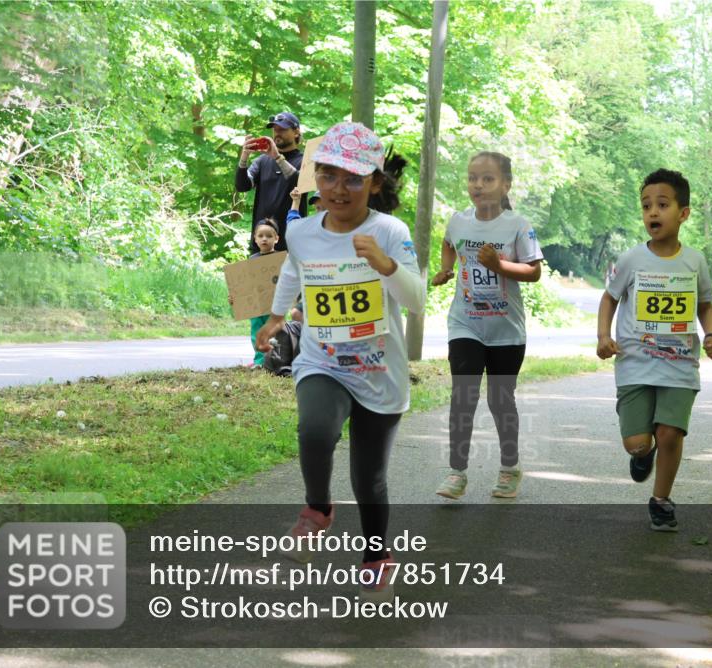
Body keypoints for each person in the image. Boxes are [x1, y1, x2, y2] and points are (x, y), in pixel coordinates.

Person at [255, 122, 424, 600]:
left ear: (374, 181)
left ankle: (376, 556)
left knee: (369, 478)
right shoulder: (304, 232)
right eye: (328, 176)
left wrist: (386, 266)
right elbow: (292, 272)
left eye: (353, 178)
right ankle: (317, 509)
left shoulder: (389, 231)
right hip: (322, 361)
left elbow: (416, 302)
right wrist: (273, 319)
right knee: (314, 430)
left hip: (378, 371)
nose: (338, 189)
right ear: (314, 178)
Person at [596, 168, 712, 532]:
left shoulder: (694, 261)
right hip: (635, 362)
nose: (653, 212)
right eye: (646, 205)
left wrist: (711, 335)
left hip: (680, 365)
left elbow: (705, 304)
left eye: (662, 205)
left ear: (683, 213)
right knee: (637, 443)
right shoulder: (631, 259)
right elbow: (609, 298)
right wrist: (604, 336)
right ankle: (642, 452)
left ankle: (661, 500)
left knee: (670, 433)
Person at [431, 152, 543, 501]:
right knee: (463, 396)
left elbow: (535, 271)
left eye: (488, 179)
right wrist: (446, 268)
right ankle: (456, 472)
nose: (478, 185)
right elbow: (449, 243)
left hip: (506, 330)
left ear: (505, 184)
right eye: (472, 178)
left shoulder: (518, 225)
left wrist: (500, 266)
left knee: (500, 400)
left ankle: (509, 467)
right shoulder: (458, 221)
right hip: (465, 322)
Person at [236, 111, 307, 253]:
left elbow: (300, 183)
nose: (277, 133)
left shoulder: (305, 160)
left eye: (282, 129)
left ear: (296, 132)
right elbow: (242, 186)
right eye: (275, 130)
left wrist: (277, 157)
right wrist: (244, 157)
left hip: (292, 244)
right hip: (262, 243)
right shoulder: (262, 161)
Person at [227, 218, 281, 367]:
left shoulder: (282, 259)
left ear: (276, 238)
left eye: (269, 236)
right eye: (261, 236)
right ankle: (259, 361)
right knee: (256, 332)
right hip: (256, 305)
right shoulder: (252, 259)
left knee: (274, 332)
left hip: (274, 304)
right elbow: (246, 283)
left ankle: (274, 361)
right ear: (255, 239)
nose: (264, 239)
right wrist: (236, 298)